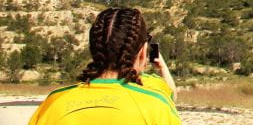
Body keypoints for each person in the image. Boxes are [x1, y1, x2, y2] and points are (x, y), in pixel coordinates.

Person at [29, 7, 179, 125]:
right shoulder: (155, 105)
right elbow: (171, 95)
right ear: (142, 52)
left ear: (93, 49)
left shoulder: (54, 102)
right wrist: (162, 68)